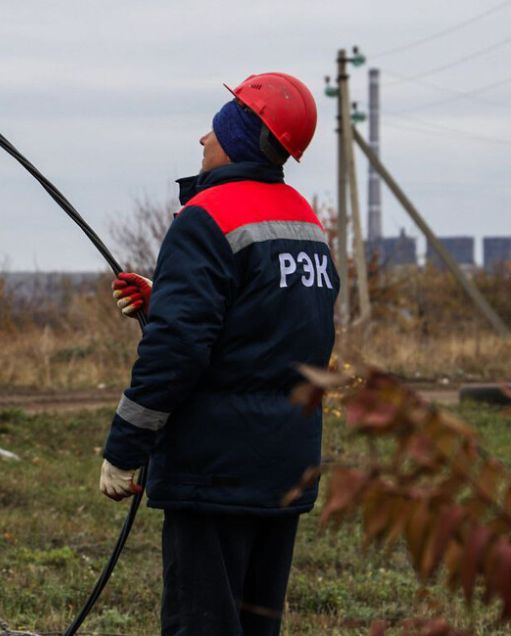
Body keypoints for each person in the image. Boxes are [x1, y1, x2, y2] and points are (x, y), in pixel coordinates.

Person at [99, 72, 338, 636]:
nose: (203, 139)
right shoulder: (305, 222)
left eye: (215, 128)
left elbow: (176, 350)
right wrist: (164, 300)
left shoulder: (206, 218)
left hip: (214, 472)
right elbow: (273, 326)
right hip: (283, 467)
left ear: (238, 137)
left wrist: (125, 449)